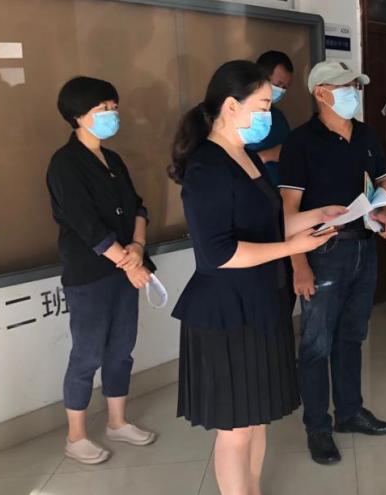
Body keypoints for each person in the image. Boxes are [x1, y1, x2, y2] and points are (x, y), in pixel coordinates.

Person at [169, 60, 343, 495]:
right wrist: (292, 248)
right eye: (264, 105)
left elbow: (267, 226)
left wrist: (316, 216)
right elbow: (219, 253)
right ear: (231, 106)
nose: (269, 114)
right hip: (226, 312)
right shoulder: (207, 167)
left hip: (263, 302)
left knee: (258, 417)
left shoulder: (245, 156)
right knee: (236, 429)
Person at [280, 60, 386, 465]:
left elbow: (383, 181)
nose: (354, 94)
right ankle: (318, 427)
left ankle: (349, 412)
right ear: (321, 93)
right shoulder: (300, 143)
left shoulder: (366, 134)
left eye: (356, 87)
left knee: (352, 337)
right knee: (316, 344)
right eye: (346, 87)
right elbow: (288, 211)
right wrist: (299, 265)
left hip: (364, 247)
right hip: (322, 253)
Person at [46, 76, 158, 465]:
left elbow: (138, 207)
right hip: (90, 274)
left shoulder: (112, 159)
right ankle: (76, 436)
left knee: (121, 348)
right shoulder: (65, 163)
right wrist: (129, 262)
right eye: (102, 108)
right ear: (78, 115)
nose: (112, 114)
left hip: (125, 269)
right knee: (87, 353)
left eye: (113, 107)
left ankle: (117, 422)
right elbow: (87, 226)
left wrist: (137, 249)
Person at [246, 51, 295, 187]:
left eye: (285, 87)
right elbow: (231, 162)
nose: (281, 91)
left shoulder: (278, 118)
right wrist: (267, 155)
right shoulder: (240, 114)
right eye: (278, 84)